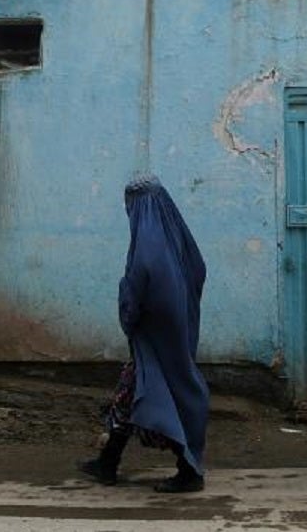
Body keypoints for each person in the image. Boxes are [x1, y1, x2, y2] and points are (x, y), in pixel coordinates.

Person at [78, 175, 209, 493]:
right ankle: (108, 462)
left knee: (158, 397)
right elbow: (198, 271)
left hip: (153, 341)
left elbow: (135, 292)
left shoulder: (147, 248)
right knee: (129, 396)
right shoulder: (176, 235)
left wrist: (130, 319)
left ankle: (188, 470)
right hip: (174, 336)